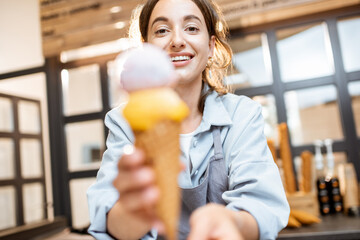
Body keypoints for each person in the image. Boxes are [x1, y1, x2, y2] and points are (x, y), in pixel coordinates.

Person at [87, 0, 290, 239]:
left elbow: (261, 207)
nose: (177, 41)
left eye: (192, 28)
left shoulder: (242, 115)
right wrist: (134, 211)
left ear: (211, 45)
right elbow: (111, 220)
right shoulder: (123, 122)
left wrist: (232, 221)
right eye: (162, 30)